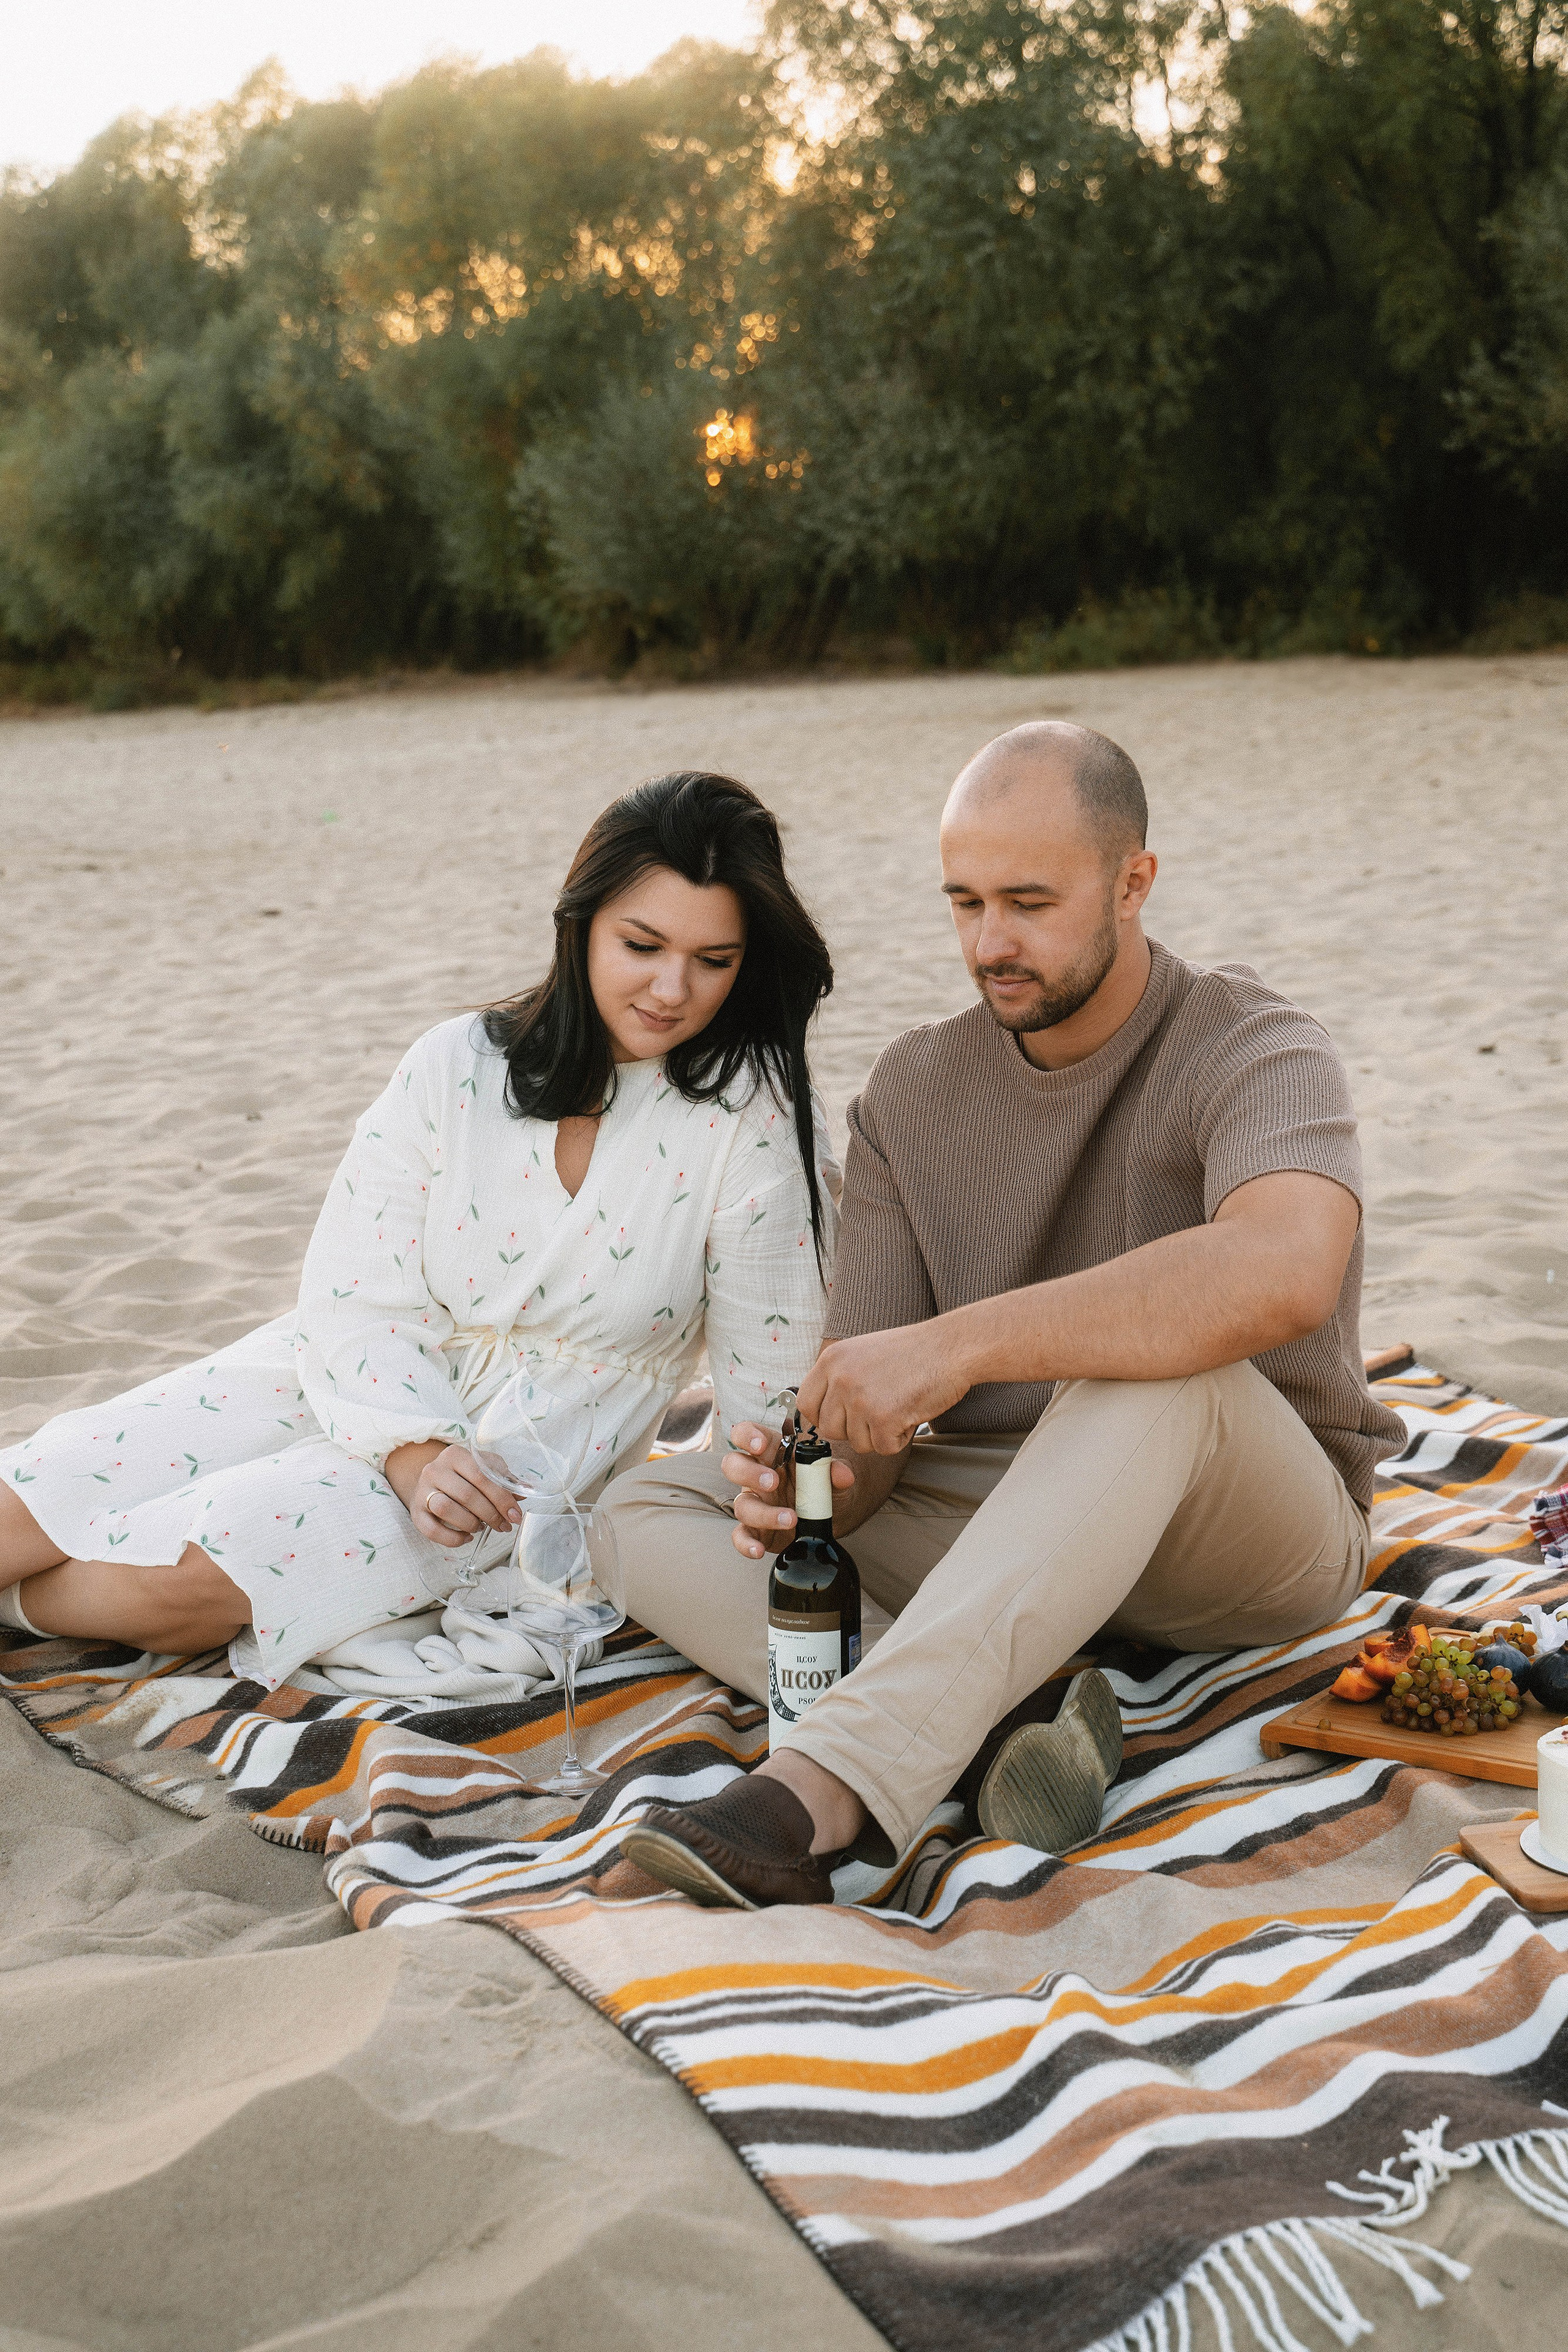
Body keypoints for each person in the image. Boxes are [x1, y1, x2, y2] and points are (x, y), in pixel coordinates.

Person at [612, 721, 1408, 1909]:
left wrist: (954, 1345)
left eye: (1028, 902)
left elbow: (1281, 1269)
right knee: (646, 1502)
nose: (990, 943)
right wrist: (816, 1478)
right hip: (1003, 1506)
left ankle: (824, 1791)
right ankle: (1004, 1729)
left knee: (1156, 1368)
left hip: (1243, 1526)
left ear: (1132, 880)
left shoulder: (1253, 1042)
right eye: (964, 902)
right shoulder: (911, 1092)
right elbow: (875, 1449)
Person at [0, 772, 837, 1692]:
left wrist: (756, 1502)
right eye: (641, 944)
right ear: (581, 925)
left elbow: (773, 1379)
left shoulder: (751, 1111)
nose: (672, 989)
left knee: (193, 1579)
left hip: (514, 1467)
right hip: (342, 1372)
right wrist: (410, 1447)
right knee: (30, 1500)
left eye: (713, 960)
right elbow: (353, 1290)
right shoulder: (459, 1064)